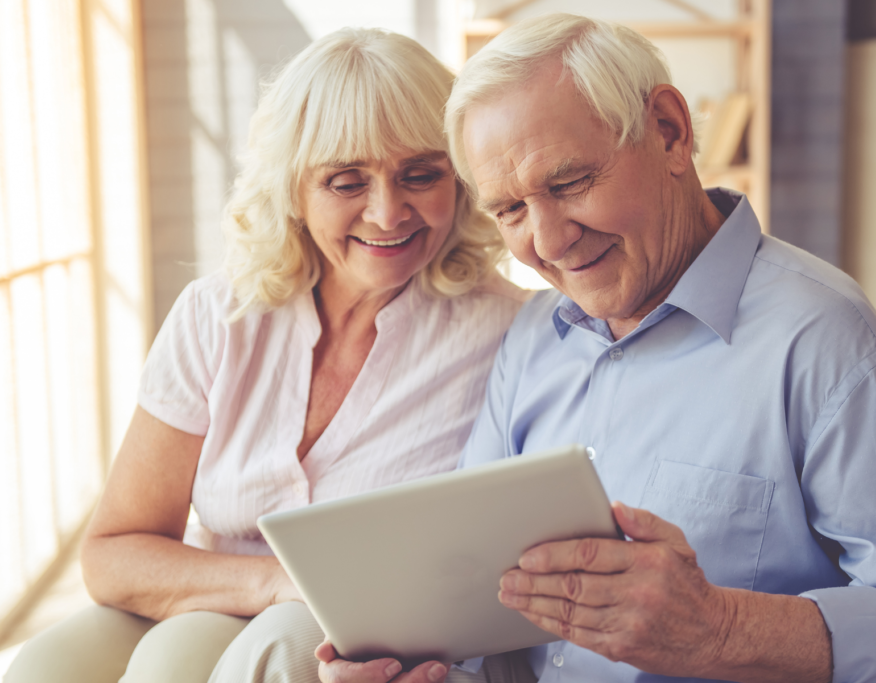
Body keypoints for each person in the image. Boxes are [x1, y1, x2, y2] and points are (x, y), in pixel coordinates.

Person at [318, 13, 876, 683]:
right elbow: (472, 611)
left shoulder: (826, 343)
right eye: (510, 210)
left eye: (569, 183)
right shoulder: (533, 337)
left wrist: (721, 627)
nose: (550, 241)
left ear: (670, 132)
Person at [6, 27, 526, 683]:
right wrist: (276, 582)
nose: (388, 212)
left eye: (421, 175)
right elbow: (113, 553)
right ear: (294, 190)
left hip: (377, 631)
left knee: (268, 646)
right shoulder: (215, 315)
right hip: (232, 591)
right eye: (346, 181)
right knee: (48, 664)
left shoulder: (510, 332)